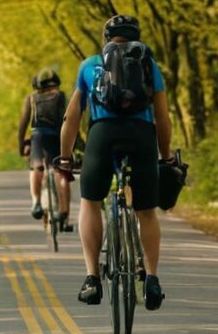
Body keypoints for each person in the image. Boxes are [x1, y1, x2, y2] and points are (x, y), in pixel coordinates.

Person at [58, 15, 175, 311]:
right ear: (136, 36)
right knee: (146, 212)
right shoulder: (148, 63)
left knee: (90, 201)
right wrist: (165, 155)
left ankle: (92, 278)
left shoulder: (90, 65)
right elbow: (162, 116)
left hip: (103, 133)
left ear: (106, 37)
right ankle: (151, 278)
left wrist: (66, 155)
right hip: (141, 136)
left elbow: (72, 117)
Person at [17, 68, 72, 230]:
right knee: (60, 171)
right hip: (58, 136)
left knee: (36, 167)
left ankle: (36, 202)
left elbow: (23, 124)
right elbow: (68, 119)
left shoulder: (32, 98)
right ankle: (64, 213)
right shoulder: (61, 96)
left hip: (38, 137)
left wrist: (22, 144)